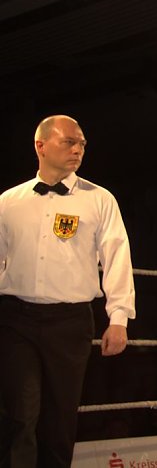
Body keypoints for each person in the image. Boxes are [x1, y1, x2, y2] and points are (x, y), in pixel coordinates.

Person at [0, 115, 136, 468]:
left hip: (70, 321)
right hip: (15, 319)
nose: (78, 150)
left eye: (82, 144)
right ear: (40, 146)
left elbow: (117, 255)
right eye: (69, 142)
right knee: (19, 415)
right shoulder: (8, 201)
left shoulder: (99, 199)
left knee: (60, 419)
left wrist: (118, 317)